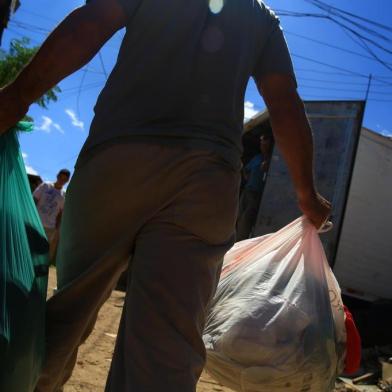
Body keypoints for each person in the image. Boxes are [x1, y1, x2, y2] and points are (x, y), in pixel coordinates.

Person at [0, 0, 331, 391]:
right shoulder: (260, 17)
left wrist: (19, 93)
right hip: (206, 182)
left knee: (67, 315)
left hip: (119, 160)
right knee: (166, 351)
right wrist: (306, 194)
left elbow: (91, 22)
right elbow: (283, 99)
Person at [237, 134, 272, 241]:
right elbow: (245, 169)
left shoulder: (272, 160)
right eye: (262, 145)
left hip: (257, 194)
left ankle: (239, 242)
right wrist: (247, 178)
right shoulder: (257, 158)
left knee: (246, 221)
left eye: (265, 145)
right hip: (247, 190)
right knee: (238, 215)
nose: (263, 147)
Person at [33, 169, 71, 264]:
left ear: (67, 181)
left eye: (65, 179)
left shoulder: (63, 196)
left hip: (49, 228)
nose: (62, 180)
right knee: (29, 245)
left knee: (40, 250)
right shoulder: (45, 186)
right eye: (61, 177)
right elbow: (34, 200)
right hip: (35, 222)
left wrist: (56, 228)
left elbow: (60, 213)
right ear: (57, 176)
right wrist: (30, 217)